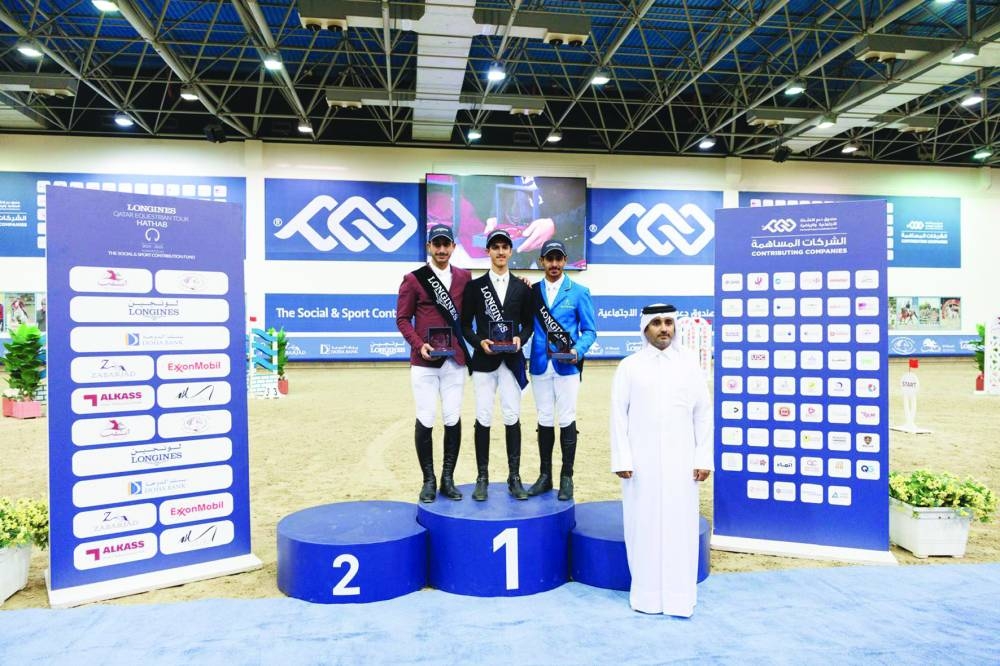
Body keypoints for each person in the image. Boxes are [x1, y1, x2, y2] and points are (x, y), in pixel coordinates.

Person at [610, 304, 713, 617]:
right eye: (656, 323)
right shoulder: (630, 366)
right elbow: (618, 414)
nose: (664, 328)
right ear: (645, 328)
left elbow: (703, 414)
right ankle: (646, 597)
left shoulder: (689, 365)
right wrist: (622, 458)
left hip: (683, 462)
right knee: (642, 525)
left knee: (680, 527)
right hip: (640, 465)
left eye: (668, 322)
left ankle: (680, 597)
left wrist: (703, 457)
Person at [396, 224, 472, 503]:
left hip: (454, 362)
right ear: (429, 247)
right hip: (424, 362)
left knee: (452, 418)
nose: (441, 249)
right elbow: (403, 319)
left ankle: (447, 479)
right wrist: (419, 345)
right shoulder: (413, 279)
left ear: (453, 247)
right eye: (436, 244)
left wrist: (523, 283)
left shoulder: (465, 277)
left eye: (445, 244)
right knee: (426, 418)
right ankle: (428, 480)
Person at [461, 228, 535, 501]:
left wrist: (520, 339)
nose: (500, 252)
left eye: (505, 247)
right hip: (484, 361)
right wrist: (478, 341)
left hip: (512, 360)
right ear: (488, 251)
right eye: (496, 247)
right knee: (483, 416)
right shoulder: (475, 287)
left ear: (510, 251)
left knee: (512, 416)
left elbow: (528, 324)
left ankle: (514, 478)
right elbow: (464, 325)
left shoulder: (522, 288)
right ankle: (482, 478)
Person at [525, 240, 598, 501]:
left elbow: (589, 331)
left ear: (565, 260)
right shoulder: (532, 292)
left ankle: (567, 477)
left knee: (566, 417)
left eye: (558, 259)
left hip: (567, 366)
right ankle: (545, 476)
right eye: (549, 259)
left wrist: (577, 350)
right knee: (544, 417)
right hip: (540, 364)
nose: (554, 264)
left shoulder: (579, 292)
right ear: (542, 261)